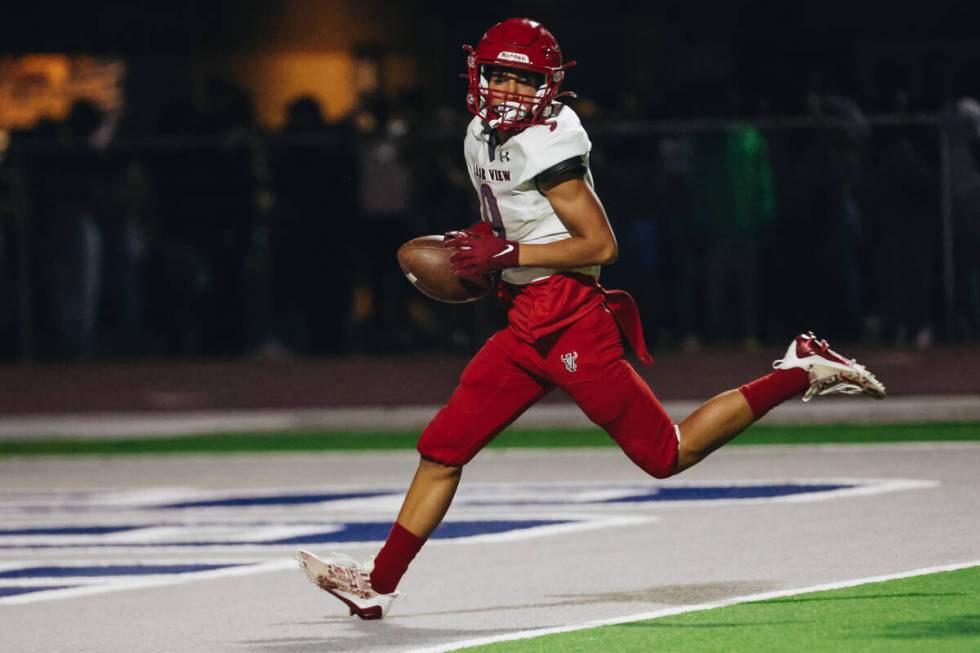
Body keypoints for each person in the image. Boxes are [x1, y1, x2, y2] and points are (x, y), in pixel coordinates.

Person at [296, 18, 886, 620]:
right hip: (522, 318)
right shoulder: (479, 133)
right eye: (497, 76)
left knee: (666, 455)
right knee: (443, 448)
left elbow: (601, 245)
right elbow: (516, 219)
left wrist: (508, 254)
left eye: (521, 80)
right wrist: (492, 246)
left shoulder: (550, 145)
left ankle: (798, 369)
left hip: (573, 320)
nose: (506, 91)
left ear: (546, 87)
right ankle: (378, 584)